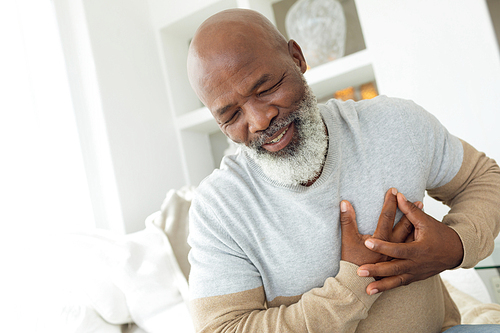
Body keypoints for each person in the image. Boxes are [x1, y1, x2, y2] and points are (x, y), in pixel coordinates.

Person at [186, 8, 500, 333]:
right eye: (231, 115)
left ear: (297, 59)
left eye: (265, 89)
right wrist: (353, 284)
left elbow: (485, 178)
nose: (259, 120)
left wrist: (457, 244)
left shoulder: (394, 123)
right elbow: (222, 329)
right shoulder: (219, 208)